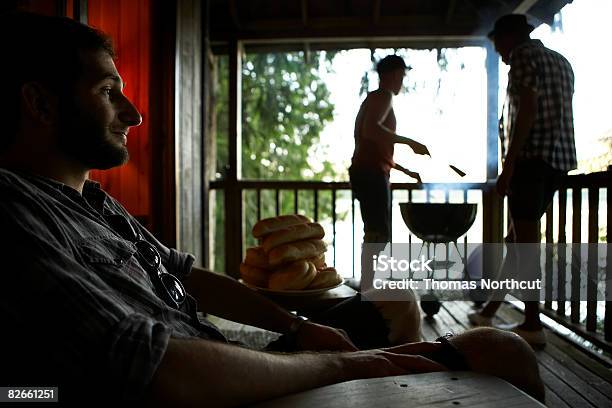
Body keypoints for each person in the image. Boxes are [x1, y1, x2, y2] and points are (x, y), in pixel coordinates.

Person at [0, 12, 543, 406]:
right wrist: (343, 364)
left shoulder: (94, 203)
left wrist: (297, 325)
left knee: (464, 335)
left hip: (223, 354)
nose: (135, 114)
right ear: (41, 104)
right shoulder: (12, 210)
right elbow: (152, 369)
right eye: (107, 90)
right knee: (501, 355)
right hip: (212, 386)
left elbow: (187, 277)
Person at [468, 14, 576, 348]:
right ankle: (489, 311)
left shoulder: (523, 56)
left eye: (497, 40)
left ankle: (532, 323)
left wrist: (509, 164)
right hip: (557, 161)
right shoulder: (561, 61)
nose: (497, 48)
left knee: (525, 246)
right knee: (516, 241)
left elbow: (526, 108)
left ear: (511, 36)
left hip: (530, 162)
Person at [349, 55, 430, 246]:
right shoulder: (384, 95)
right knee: (378, 234)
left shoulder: (373, 98)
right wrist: (410, 142)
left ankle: (369, 276)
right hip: (371, 175)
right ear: (393, 75)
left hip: (367, 172)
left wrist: (405, 171)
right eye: (401, 76)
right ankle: (369, 277)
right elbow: (371, 130)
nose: (402, 81)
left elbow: (375, 149)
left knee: (374, 231)